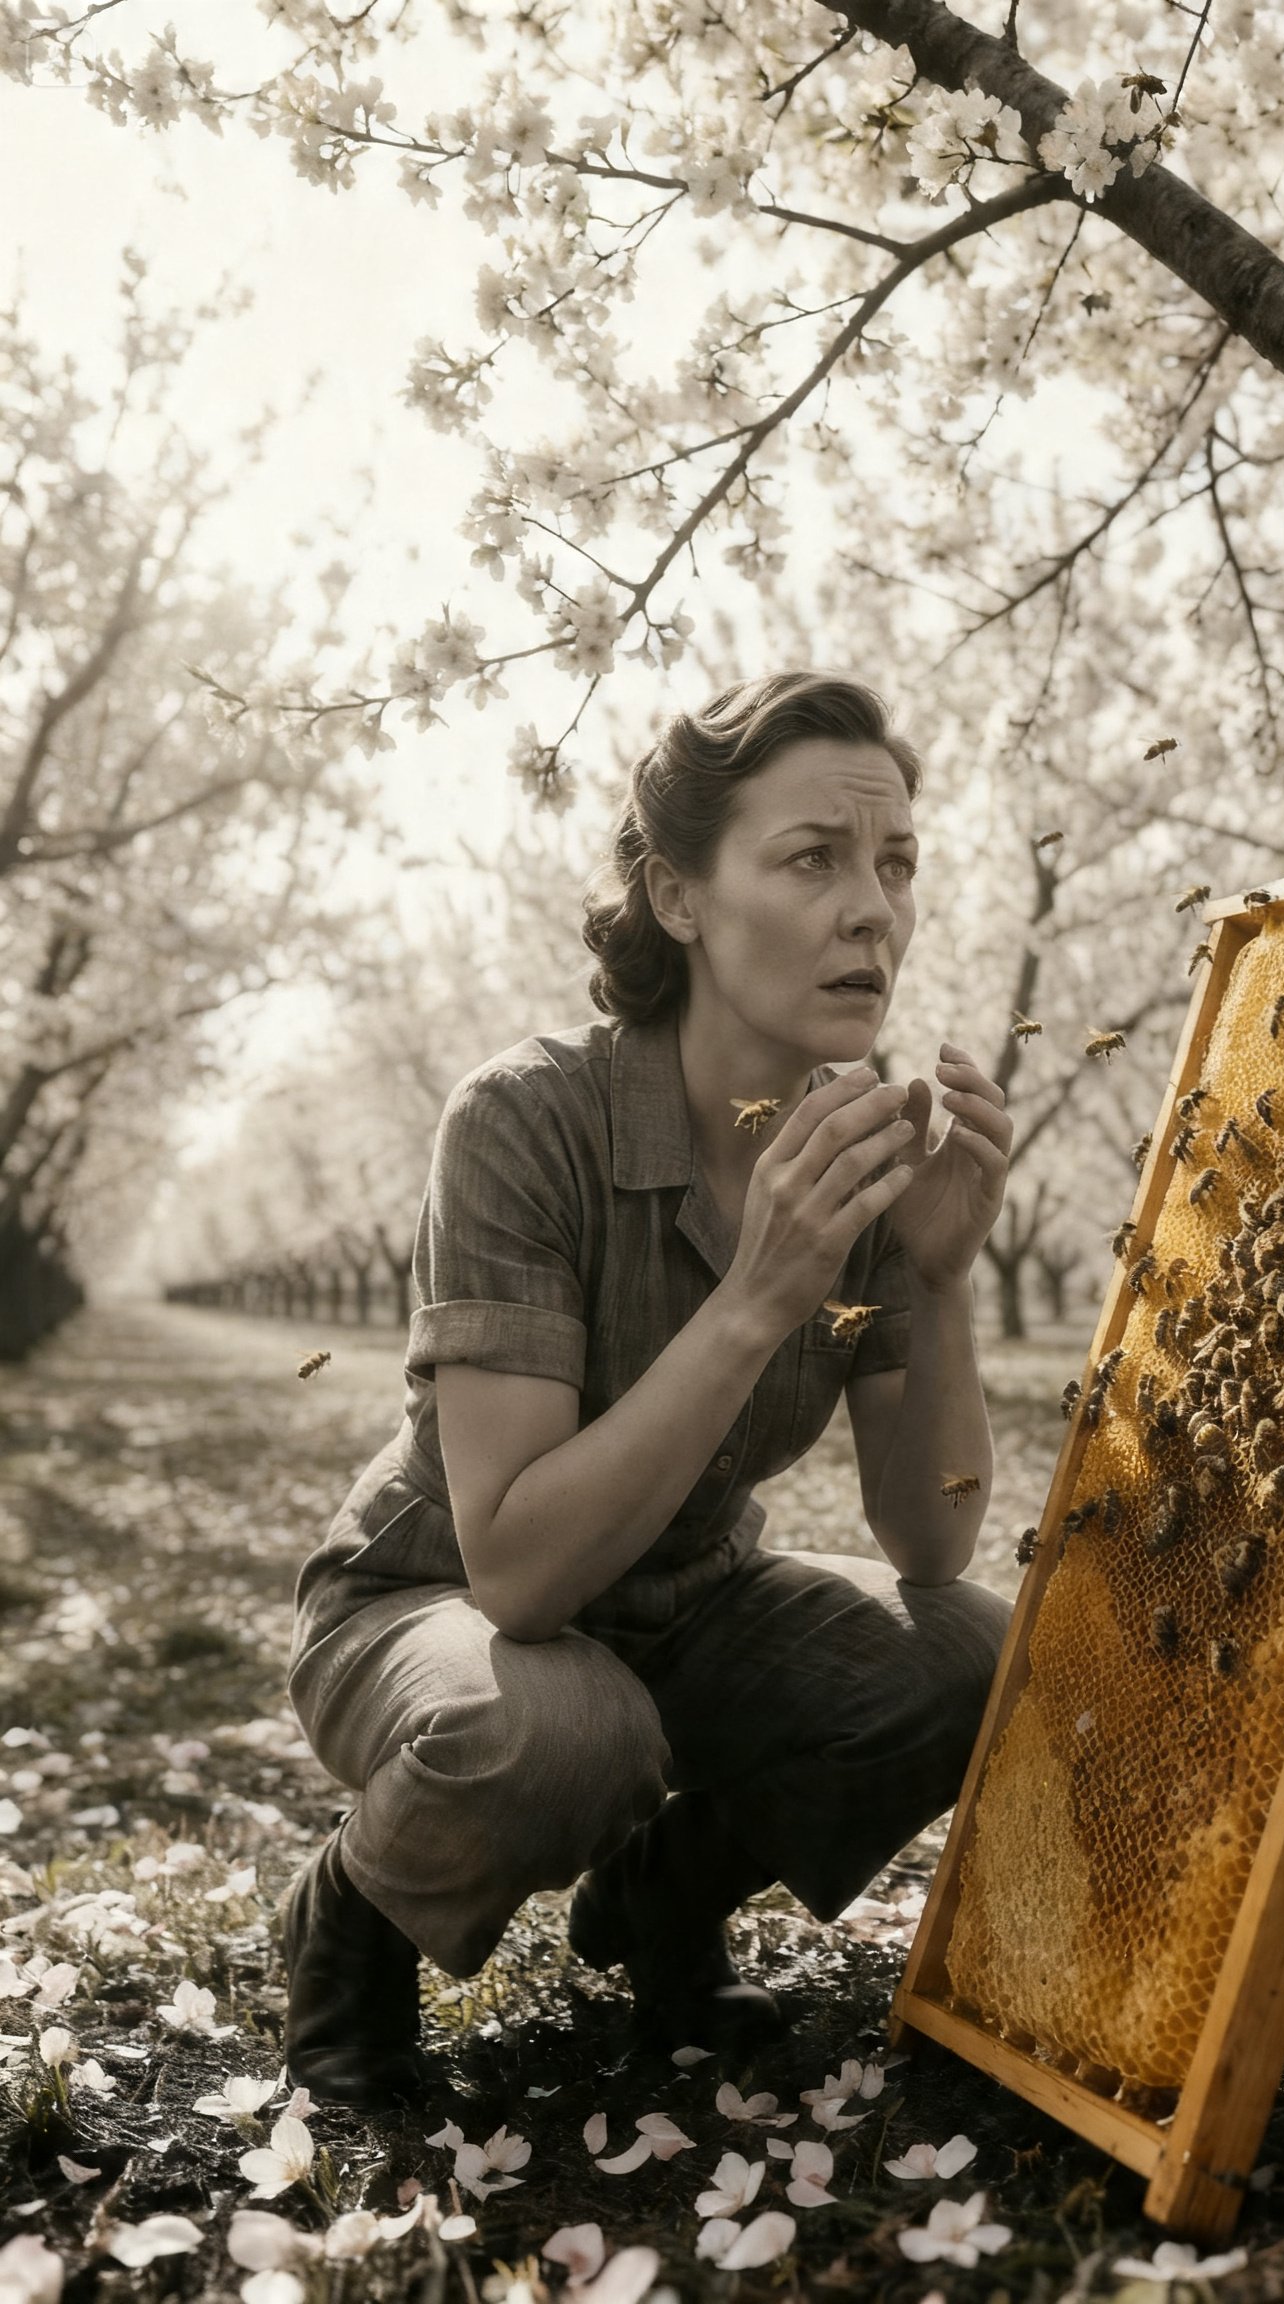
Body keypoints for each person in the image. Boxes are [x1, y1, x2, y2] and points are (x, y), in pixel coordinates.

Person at [279, 670, 1017, 2110]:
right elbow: (517, 1576)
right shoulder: (525, 1119)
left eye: (897, 864)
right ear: (678, 897)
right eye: (812, 859)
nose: (874, 910)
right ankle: (352, 1917)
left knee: (978, 1660)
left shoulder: (857, 1151)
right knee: (563, 1729)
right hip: (438, 1606)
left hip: (690, 1603)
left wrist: (936, 1279)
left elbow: (932, 1543)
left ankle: (662, 1898)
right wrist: (756, 1300)